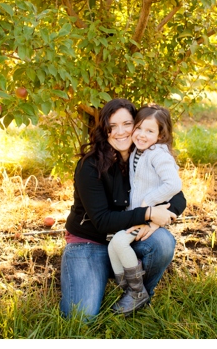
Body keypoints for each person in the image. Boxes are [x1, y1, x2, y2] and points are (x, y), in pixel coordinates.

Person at [60, 98, 185, 320]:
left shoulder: (145, 157)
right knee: (81, 316)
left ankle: (137, 293)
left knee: (163, 241)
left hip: (125, 239)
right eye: (112, 126)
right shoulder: (89, 166)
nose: (121, 132)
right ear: (104, 129)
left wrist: (156, 222)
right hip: (90, 242)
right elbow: (102, 220)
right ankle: (101, 275)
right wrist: (148, 213)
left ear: (137, 125)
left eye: (127, 124)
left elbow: (178, 197)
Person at [107, 104, 181, 315]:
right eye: (139, 128)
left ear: (160, 135)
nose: (141, 135)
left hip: (145, 217)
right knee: (115, 246)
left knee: (119, 245)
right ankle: (129, 289)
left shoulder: (158, 154)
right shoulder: (138, 151)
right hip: (135, 217)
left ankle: (136, 291)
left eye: (150, 131)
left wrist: (148, 204)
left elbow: (174, 185)